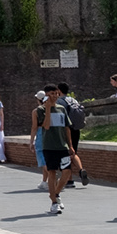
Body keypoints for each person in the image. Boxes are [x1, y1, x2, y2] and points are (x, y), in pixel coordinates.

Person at [37, 85, 76, 213]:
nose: (54, 96)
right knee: (52, 172)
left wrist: (70, 145)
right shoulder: (40, 110)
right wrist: (48, 109)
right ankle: (54, 203)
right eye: (51, 94)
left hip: (62, 146)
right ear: (46, 96)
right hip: (49, 146)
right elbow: (46, 126)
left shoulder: (62, 109)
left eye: (56, 93)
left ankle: (55, 193)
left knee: (67, 171)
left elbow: (66, 128)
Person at [58, 82, 89, 188]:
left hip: (66, 129)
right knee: (73, 151)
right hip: (76, 129)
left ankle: (69, 180)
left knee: (65, 155)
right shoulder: (73, 100)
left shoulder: (59, 101)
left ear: (59, 90)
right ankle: (80, 170)